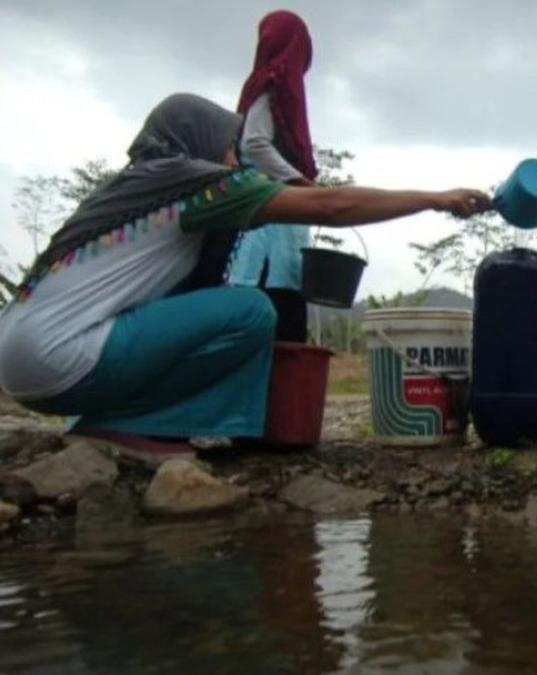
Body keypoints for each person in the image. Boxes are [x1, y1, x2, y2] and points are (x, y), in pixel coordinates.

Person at [0, 93, 490, 464]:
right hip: (59, 357)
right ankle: (135, 426)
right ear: (202, 146)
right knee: (250, 310)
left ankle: (110, 422)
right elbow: (331, 205)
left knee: (202, 311)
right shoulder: (195, 183)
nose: (237, 163)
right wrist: (434, 197)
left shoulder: (129, 190)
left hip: (22, 360)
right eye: (232, 150)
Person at [227, 10, 319, 342]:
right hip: (271, 217)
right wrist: (301, 183)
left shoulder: (270, 86)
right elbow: (253, 144)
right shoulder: (274, 83)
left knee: (284, 302)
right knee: (277, 314)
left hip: (282, 217)